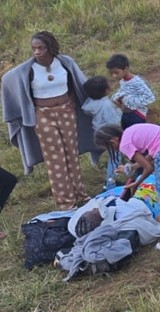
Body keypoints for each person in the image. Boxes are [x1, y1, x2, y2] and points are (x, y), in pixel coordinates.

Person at [1, 31, 96, 209]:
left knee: (71, 154)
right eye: (34, 48)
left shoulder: (65, 63)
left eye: (41, 48)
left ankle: (80, 195)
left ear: (50, 48)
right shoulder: (28, 70)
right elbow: (8, 80)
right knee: (55, 159)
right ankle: (66, 202)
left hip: (66, 112)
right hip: (43, 116)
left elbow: (76, 83)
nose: (36, 52)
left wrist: (75, 102)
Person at [94, 124, 160, 252]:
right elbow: (151, 153)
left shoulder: (124, 145)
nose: (112, 150)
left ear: (112, 141)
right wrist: (131, 167)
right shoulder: (129, 131)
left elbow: (149, 167)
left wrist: (137, 183)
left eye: (108, 147)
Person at [82, 76, 124, 190]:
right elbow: (114, 121)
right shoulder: (106, 105)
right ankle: (110, 183)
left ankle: (107, 175)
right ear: (106, 90)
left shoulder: (90, 103)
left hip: (99, 132)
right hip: (110, 134)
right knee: (115, 157)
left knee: (110, 156)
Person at [106, 53, 155, 129]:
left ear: (125, 69)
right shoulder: (123, 81)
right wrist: (116, 98)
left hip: (137, 116)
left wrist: (128, 101)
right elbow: (124, 92)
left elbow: (150, 97)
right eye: (111, 73)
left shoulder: (137, 82)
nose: (114, 76)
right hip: (126, 114)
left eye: (116, 72)